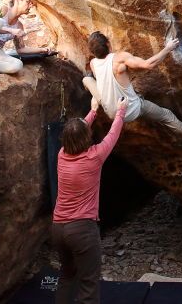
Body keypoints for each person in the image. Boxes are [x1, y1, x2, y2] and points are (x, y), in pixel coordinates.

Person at [52, 96, 127, 304]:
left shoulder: (61, 155)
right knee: (89, 283)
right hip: (82, 229)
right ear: (87, 137)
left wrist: (93, 111)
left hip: (58, 227)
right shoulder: (94, 156)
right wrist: (121, 111)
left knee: (67, 275)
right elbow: (113, 135)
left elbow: (77, 133)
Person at [83, 31, 182, 146]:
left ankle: (94, 97)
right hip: (130, 110)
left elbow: (101, 81)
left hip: (110, 111)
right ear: (108, 44)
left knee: (87, 79)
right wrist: (168, 48)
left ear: (93, 52)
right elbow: (147, 64)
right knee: (167, 115)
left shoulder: (93, 64)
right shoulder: (119, 59)